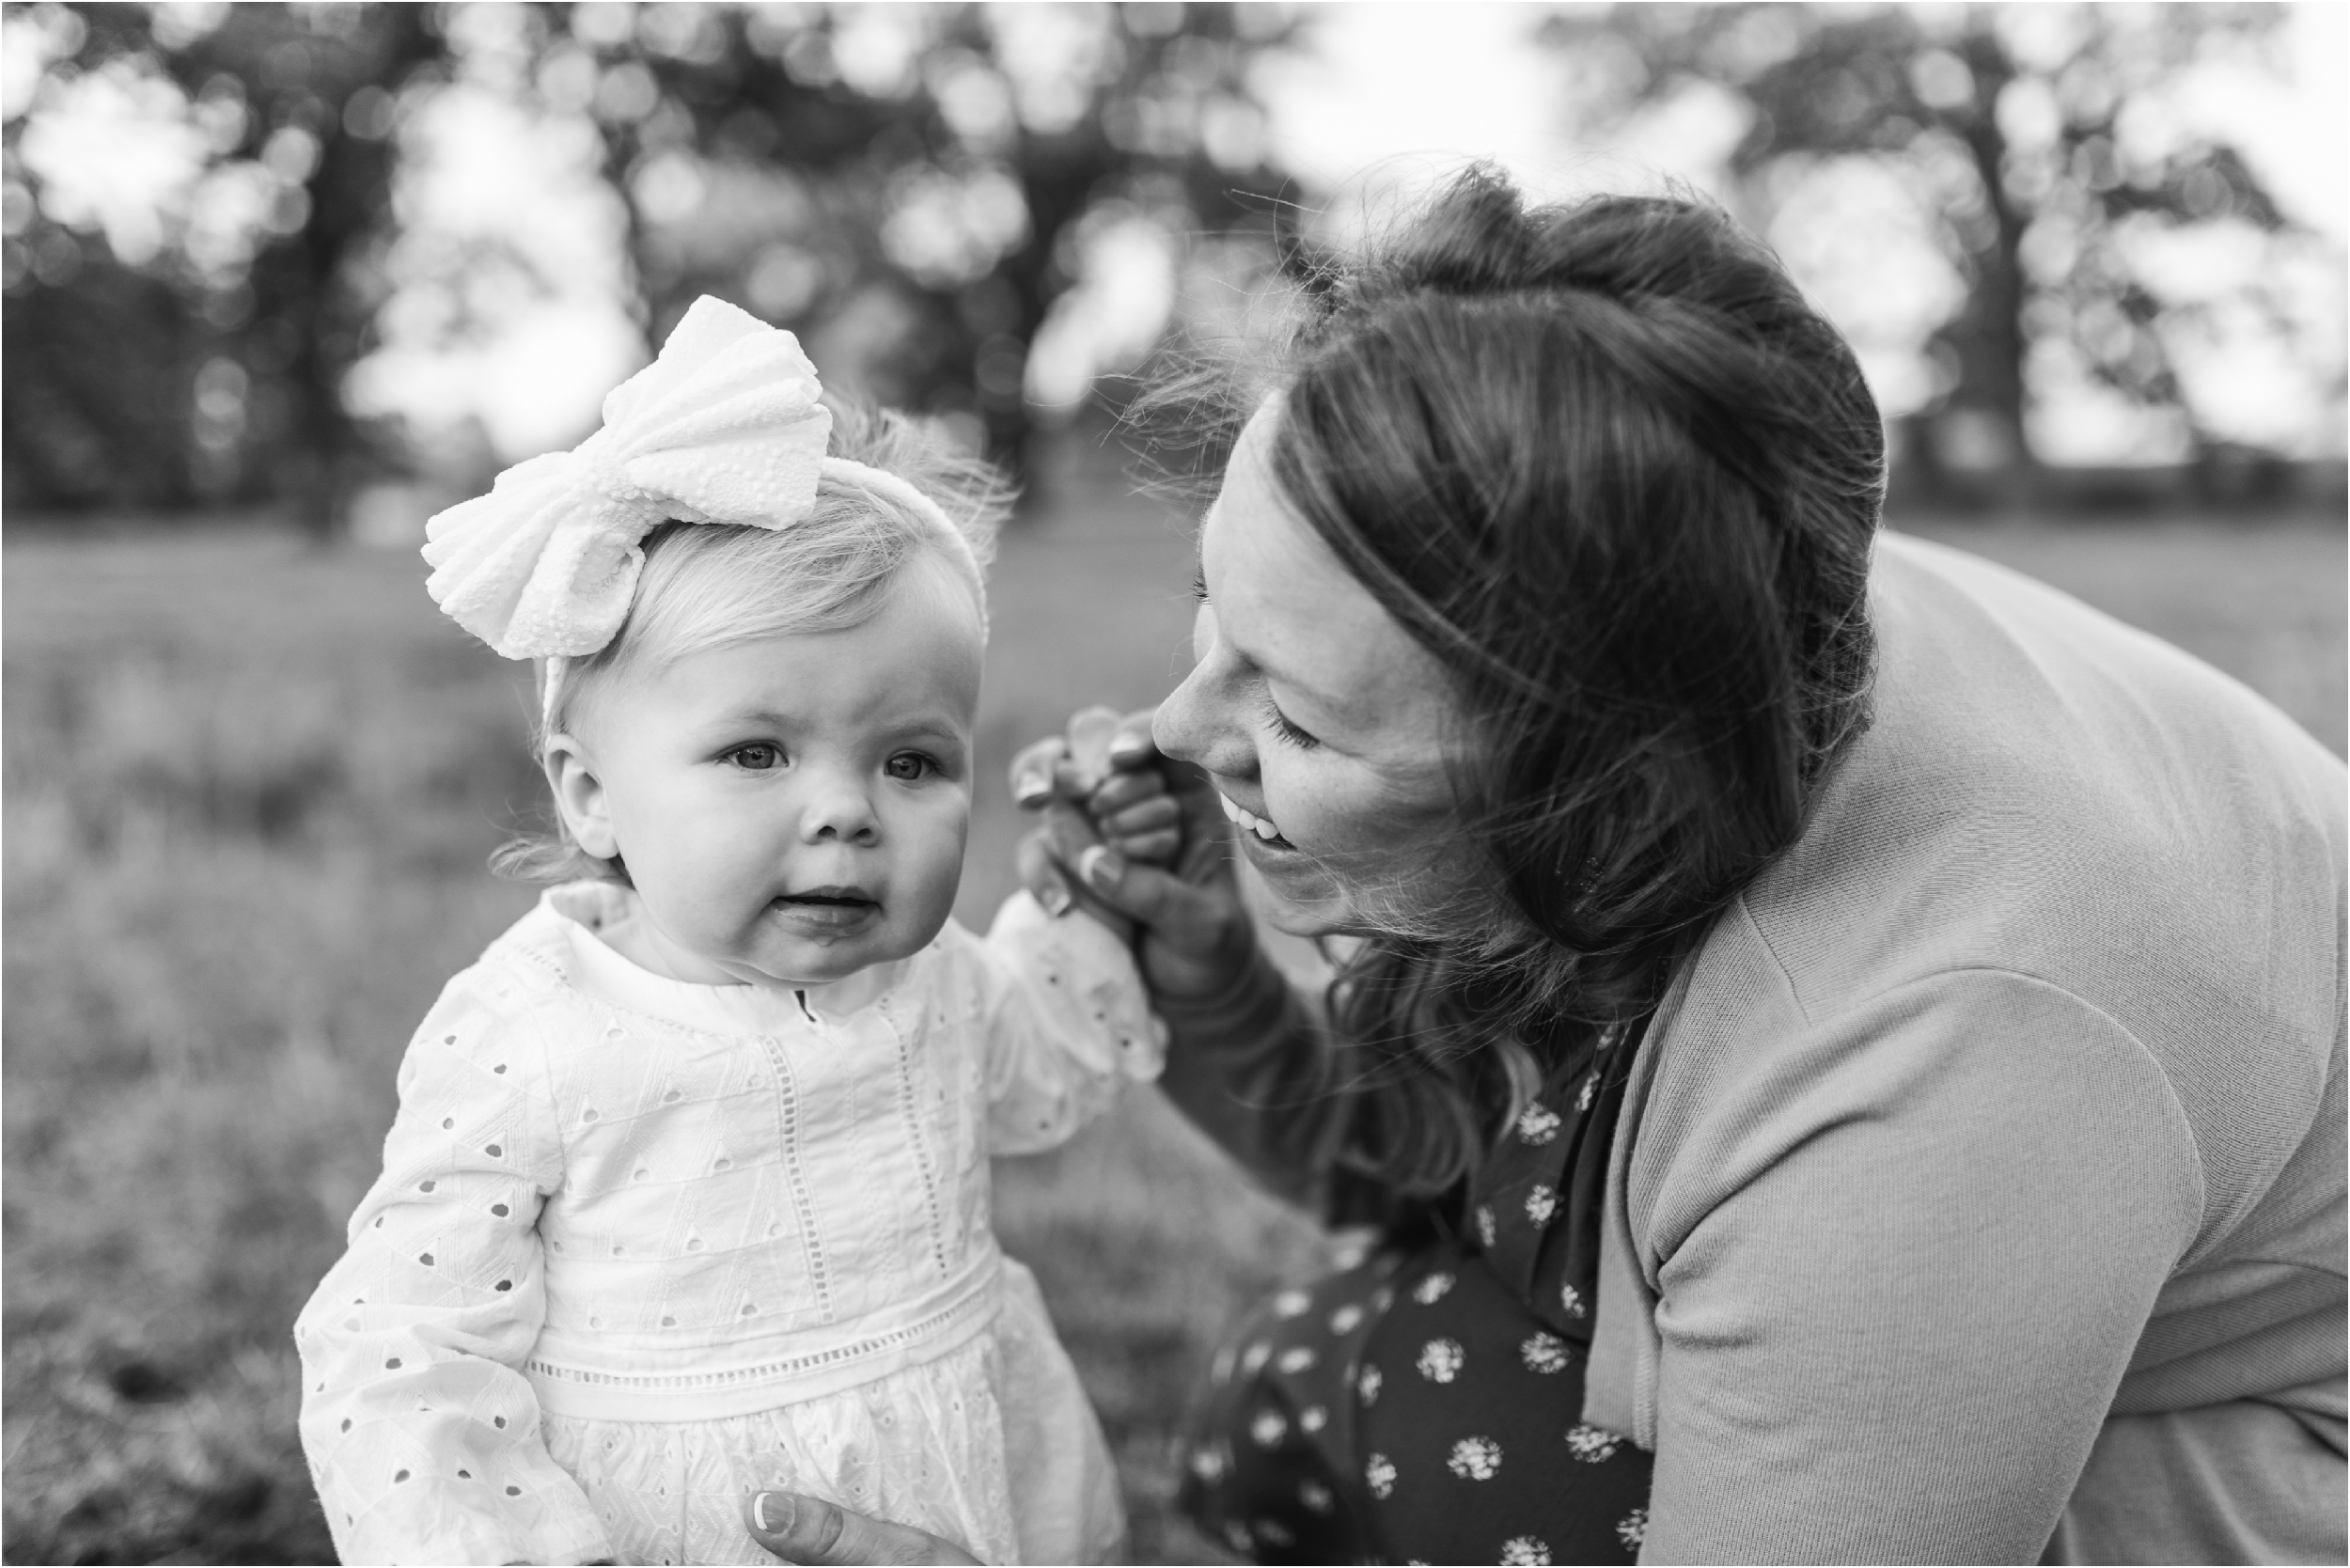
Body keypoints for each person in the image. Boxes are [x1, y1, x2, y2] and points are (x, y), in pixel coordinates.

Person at [768, 168, 2348, 1565]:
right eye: (1213, 607)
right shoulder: (1669, 552)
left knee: (1476, 1438)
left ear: (1600, 797)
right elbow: (1454, 1183)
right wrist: (1208, 968)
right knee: (1331, 1372)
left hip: (2266, 1447)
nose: (1183, 728)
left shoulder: (1930, 1076)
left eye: (1301, 719)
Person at [292, 297, 1163, 1567]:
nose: (845, 815)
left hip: (957, 1469)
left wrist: (1099, 888)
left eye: (913, 762)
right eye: (758, 751)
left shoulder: (932, 975)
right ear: (592, 793)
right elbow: (400, 1345)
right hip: (678, 1521)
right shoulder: (533, 1031)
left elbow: (1041, 1072)